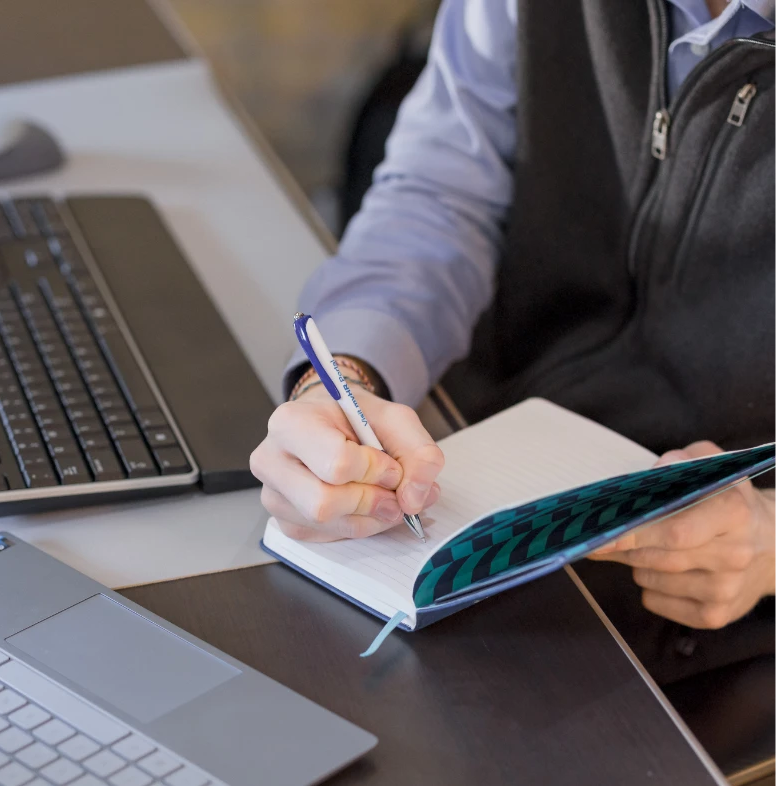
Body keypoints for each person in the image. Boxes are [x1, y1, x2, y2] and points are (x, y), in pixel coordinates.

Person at [250, 0, 776, 684]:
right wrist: (342, 380)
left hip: (708, 616)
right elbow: (441, 193)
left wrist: (768, 545)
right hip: (470, 471)